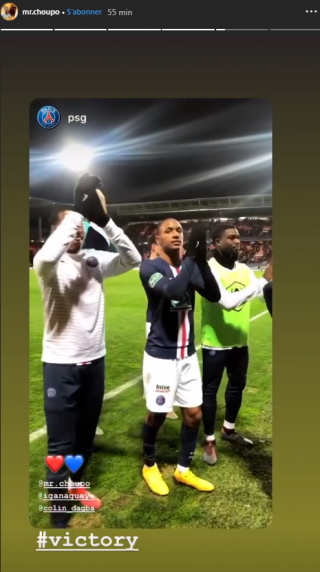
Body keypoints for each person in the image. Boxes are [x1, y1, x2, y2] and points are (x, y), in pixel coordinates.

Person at [33, 174, 141, 528]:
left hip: (95, 362)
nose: (77, 232)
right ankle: (59, 520)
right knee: (60, 447)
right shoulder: (47, 265)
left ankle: (76, 487)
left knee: (84, 439)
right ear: (57, 232)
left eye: (80, 226)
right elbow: (50, 251)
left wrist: (104, 220)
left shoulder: (95, 258)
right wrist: (79, 213)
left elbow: (133, 258)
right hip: (60, 366)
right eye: (70, 227)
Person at [139, 218, 226, 496]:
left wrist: (200, 260)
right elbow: (173, 290)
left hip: (187, 355)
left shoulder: (188, 265)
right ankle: (149, 465)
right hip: (161, 357)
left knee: (193, 414)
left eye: (179, 230)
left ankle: (183, 469)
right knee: (158, 414)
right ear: (158, 238)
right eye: (169, 231)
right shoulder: (151, 268)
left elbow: (212, 294)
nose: (176, 234)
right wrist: (191, 261)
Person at [201, 222, 268, 465]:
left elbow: (262, 294)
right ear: (217, 243)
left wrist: (266, 283)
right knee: (210, 390)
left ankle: (229, 429)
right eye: (231, 237)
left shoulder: (244, 269)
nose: (237, 241)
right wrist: (257, 285)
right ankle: (209, 440)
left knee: (237, 386)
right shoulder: (207, 269)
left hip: (240, 342)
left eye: (238, 237)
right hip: (215, 343)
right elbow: (227, 301)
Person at [144, 233, 178, 420]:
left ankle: (166, 398)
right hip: (154, 318)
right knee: (152, 361)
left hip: (165, 317)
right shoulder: (151, 266)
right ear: (155, 245)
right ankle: (155, 398)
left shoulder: (167, 264)